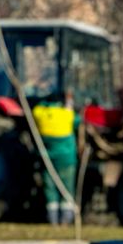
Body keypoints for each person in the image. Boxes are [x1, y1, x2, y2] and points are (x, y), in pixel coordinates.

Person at [31, 89, 78, 225]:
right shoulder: (67, 115)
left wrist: (45, 102)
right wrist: (69, 106)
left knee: (50, 188)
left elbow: (36, 109)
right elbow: (78, 121)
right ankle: (66, 219)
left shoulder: (41, 114)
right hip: (67, 159)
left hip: (48, 159)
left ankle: (52, 219)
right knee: (66, 188)